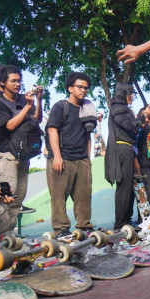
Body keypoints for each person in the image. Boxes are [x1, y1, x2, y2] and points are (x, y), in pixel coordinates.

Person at [0, 65, 43, 232]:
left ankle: (8, 234)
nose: (18, 84)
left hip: (24, 154)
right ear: (3, 82)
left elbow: (37, 120)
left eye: (19, 81)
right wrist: (27, 107)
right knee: (6, 197)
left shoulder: (23, 99)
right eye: (13, 81)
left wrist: (38, 101)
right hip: (7, 154)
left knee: (18, 198)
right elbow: (10, 126)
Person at [45, 72, 95, 237]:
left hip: (81, 160)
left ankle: (84, 227)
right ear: (70, 88)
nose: (83, 91)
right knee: (58, 197)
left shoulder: (87, 108)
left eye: (86, 88)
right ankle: (61, 229)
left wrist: (87, 158)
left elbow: (88, 135)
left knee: (84, 196)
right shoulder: (60, 107)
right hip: (62, 158)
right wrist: (57, 156)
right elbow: (52, 130)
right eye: (80, 87)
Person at [105, 83, 150, 230]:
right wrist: (143, 116)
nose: (132, 96)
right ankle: (120, 223)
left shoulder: (122, 108)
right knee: (124, 187)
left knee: (129, 186)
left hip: (128, 148)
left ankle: (126, 220)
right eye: (130, 94)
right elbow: (128, 125)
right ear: (123, 94)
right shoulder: (118, 107)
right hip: (123, 147)